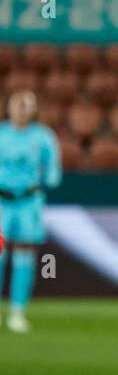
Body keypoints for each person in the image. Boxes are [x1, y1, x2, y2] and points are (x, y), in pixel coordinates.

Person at [0, 90, 62, 333]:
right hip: (2, 201)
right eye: (18, 104)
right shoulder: (1, 134)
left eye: (28, 105)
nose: (22, 109)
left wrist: (44, 181)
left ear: (35, 109)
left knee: (24, 253)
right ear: (9, 106)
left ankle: (17, 312)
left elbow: (53, 170)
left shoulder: (43, 137)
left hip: (28, 201)